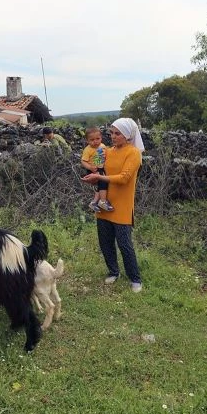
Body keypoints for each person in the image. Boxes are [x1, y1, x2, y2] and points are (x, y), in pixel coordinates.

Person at [81, 118, 144, 292]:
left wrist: (99, 178)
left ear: (128, 135)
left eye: (117, 133)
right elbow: (99, 169)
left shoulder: (134, 153)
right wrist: (92, 178)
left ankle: (135, 278)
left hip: (122, 206)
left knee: (124, 244)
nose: (113, 136)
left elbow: (124, 178)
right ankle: (113, 271)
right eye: (111, 133)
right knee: (105, 242)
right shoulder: (107, 151)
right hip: (104, 204)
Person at [80, 126, 112, 212]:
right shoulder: (88, 150)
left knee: (102, 184)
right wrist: (90, 167)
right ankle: (102, 201)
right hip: (93, 169)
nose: (95, 141)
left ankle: (94, 202)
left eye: (98, 138)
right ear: (87, 140)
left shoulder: (103, 146)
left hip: (101, 168)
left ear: (101, 138)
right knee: (103, 182)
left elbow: (107, 155)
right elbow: (83, 161)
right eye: (92, 140)